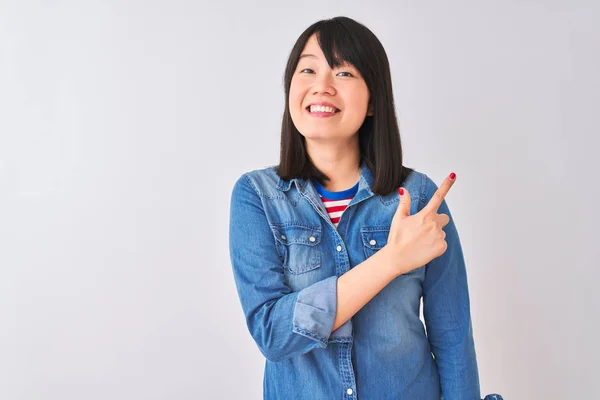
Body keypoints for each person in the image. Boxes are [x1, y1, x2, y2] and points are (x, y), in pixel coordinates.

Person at [229, 16, 502, 400]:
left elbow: (453, 337)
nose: (321, 86)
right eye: (308, 69)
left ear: (373, 100)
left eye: (343, 72)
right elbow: (274, 334)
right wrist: (391, 261)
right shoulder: (257, 197)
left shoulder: (419, 197)